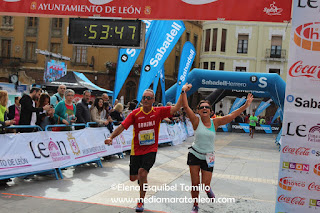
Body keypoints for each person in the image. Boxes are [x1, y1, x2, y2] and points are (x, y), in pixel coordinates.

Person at [104, 86, 190, 213]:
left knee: (143, 173)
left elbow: (176, 108)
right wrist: (111, 137)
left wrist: (182, 92)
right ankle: (141, 180)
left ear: (153, 100)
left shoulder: (158, 111)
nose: (145, 100)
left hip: (151, 148)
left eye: (148, 98)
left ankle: (140, 201)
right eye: (144, 98)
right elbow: (122, 127)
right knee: (134, 178)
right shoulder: (135, 113)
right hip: (136, 150)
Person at [181, 85, 253, 213]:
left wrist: (246, 106)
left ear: (211, 111)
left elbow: (231, 115)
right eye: (201, 107)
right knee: (195, 183)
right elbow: (186, 107)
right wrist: (183, 91)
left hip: (209, 156)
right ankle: (195, 205)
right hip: (195, 154)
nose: (204, 108)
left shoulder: (216, 122)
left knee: (205, 184)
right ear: (198, 110)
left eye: (207, 107)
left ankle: (208, 189)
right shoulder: (196, 121)